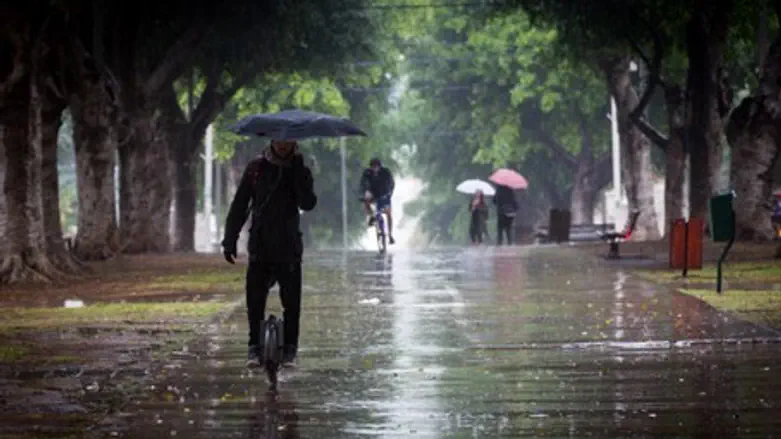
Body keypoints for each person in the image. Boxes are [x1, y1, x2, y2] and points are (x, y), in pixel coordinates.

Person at [221, 139, 317, 368]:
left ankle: (290, 350)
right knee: (254, 301)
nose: (283, 145)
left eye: (288, 141)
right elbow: (240, 204)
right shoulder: (256, 168)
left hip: (289, 246)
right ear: (272, 140)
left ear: (294, 142)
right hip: (260, 245)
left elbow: (308, 203)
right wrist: (229, 239)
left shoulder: (300, 168)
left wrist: (297, 172)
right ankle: (253, 347)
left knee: (292, 303)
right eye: (279, 140)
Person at [360, 158, 395, 244]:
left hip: (385, 193)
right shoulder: (367, 173)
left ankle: (390, 235)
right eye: (373, 167)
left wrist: (389, 193)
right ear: (370, 167)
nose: (375, 168)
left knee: (388, 213)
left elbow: (391, 183)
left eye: (376, 167)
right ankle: (372, 216)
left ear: (380, 166)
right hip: (373, 193)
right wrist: (366, 191)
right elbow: (363, 183)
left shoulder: (386, 172)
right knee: (366, 201)